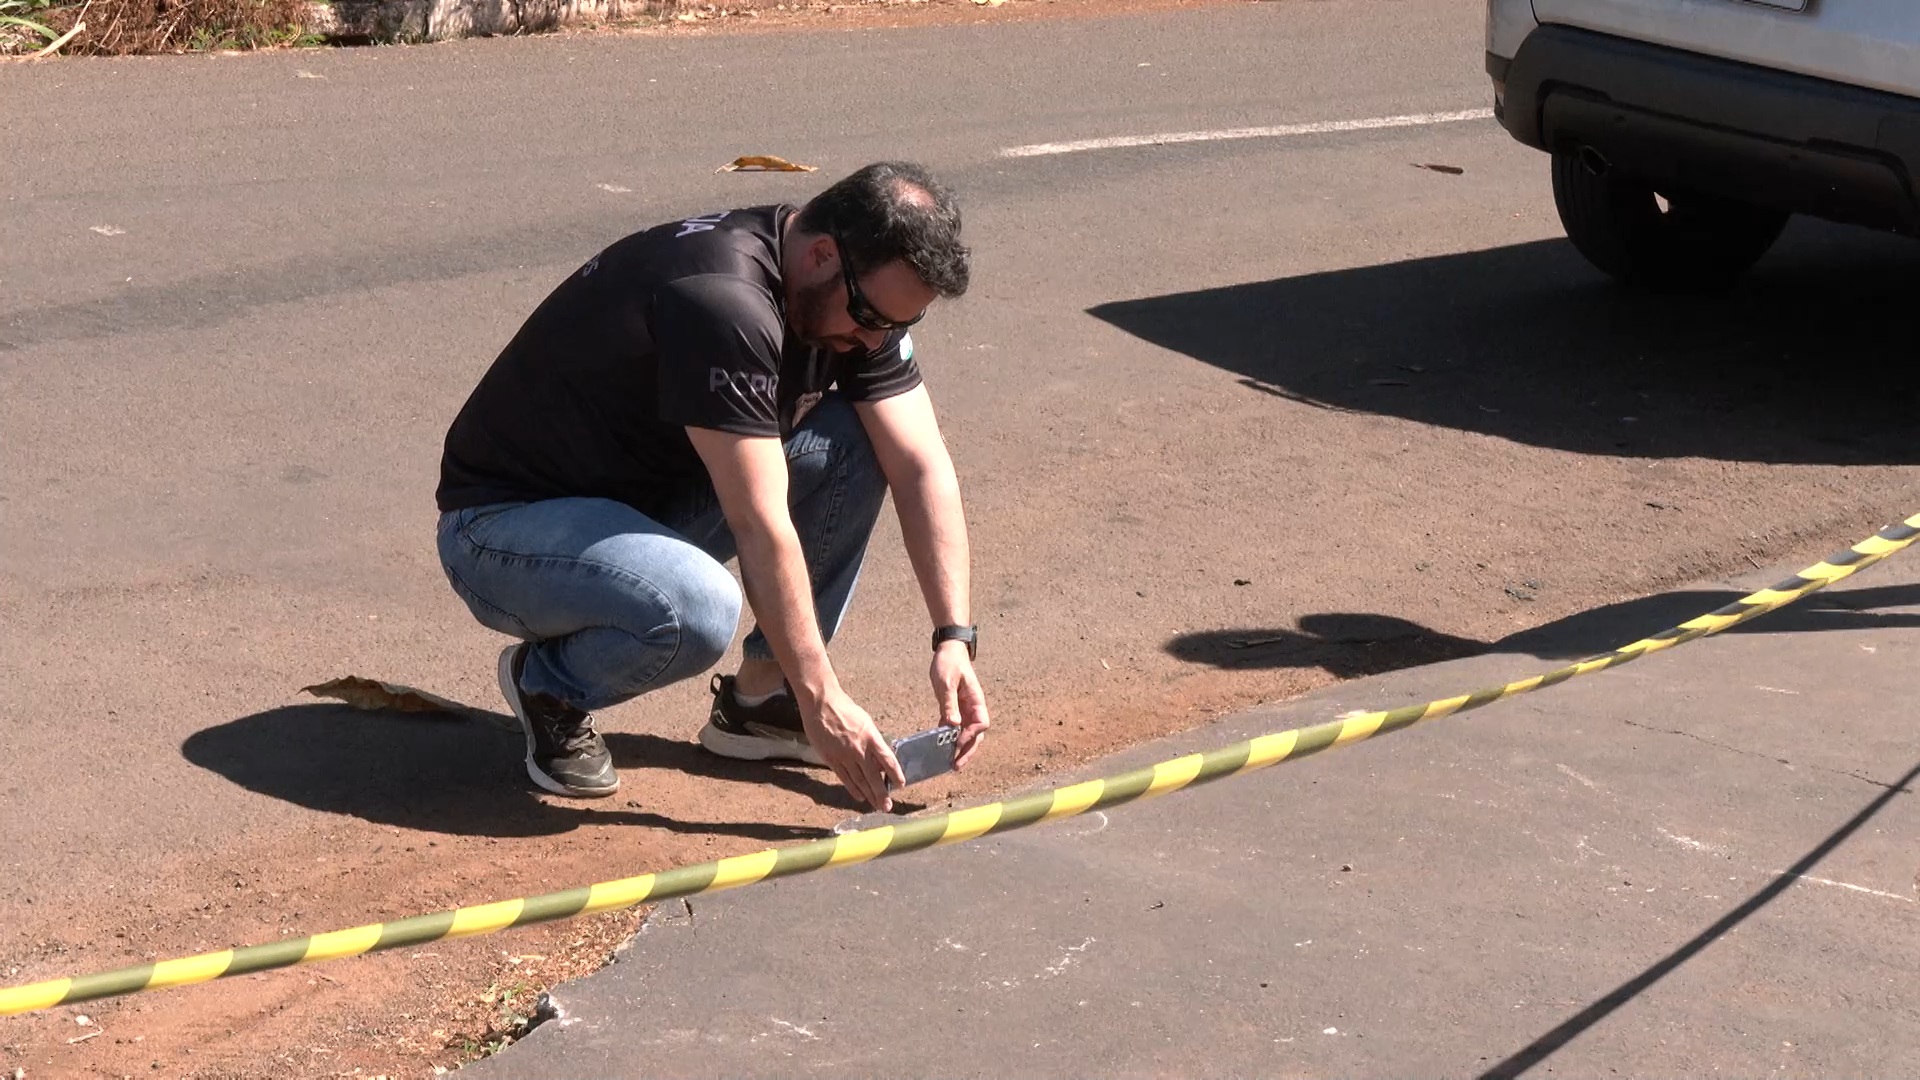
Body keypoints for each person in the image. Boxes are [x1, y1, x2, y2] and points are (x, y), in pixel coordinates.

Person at [433, 161, 990, 813]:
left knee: (857, 439)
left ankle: (764, 700)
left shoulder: (846, 302)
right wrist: (823, 698)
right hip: (503, 529)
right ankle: (550, 685)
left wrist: (954, 638)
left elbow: (920, 462)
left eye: (896, 325)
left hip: (641, 508)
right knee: (697, 607)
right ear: (821, 255)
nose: (873, 340)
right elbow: (760, 522)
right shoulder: (724, 300)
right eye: (869, 316)